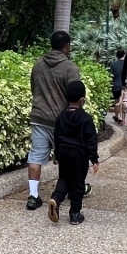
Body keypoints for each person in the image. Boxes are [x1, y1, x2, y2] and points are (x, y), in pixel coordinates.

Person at [27, 30, 80, 210]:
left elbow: (33, 89)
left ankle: (33, 196)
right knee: (68, 157)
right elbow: (75, 95)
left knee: (35, 156)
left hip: (39, 117)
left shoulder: (38, 64)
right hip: (62, 120)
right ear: (67, 46)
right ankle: (71, 191)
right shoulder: (70, 68)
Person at [47, 80, 100, 226]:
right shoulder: (86, 118)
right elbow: (91, 140)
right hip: (79, 155)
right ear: (82, 100)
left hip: (63, 152)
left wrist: (57, 154)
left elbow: (56, 137)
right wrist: (94, 158)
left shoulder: (61, 117)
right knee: (78, 183)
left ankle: (56, 199)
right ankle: (75, 214)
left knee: (64, 178)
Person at [109, 49, 126, 123]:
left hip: (115, 85)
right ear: (124, 55)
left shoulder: (113, 65)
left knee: (117, 101)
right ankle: (123, 117)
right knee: (124, 100)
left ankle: (117, 116)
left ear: (117, 56)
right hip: (125, 85)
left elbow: (111, 76)